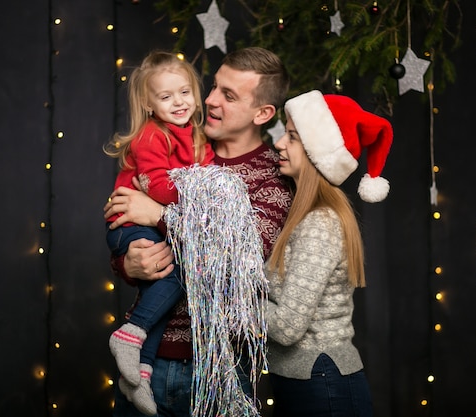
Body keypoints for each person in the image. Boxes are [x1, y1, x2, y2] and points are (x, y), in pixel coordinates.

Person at [104, 47, 293, 417]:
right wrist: (128, 265)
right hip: (148, 358)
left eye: (229, 95)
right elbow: (122, 222)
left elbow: (239, 261)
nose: (210, 100)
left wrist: (158, 213)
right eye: (213, 88)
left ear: (263, 113)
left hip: (216, 370)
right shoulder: (182, 146)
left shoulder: (273, 175)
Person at [265, 89, 393, 417]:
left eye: (292, 137)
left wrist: (230, 298)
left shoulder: (320, 222)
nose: (279, 143)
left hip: (323, 385)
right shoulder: (302, 215)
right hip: (305, 381)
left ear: (315, 152)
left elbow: (287, 326)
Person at [103, 51, 215, 415]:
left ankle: (139, 373)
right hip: (128, 226)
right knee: (177, 272)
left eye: (184, 92)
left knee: (164, 295)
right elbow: (163, 191)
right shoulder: (151, 137)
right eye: (166, 97)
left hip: (156, 223)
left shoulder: (197, 136)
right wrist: (197, 192)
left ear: (196, 95)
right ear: (149, 104)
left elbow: (209, 180)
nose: (178, 102)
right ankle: (129, 333)